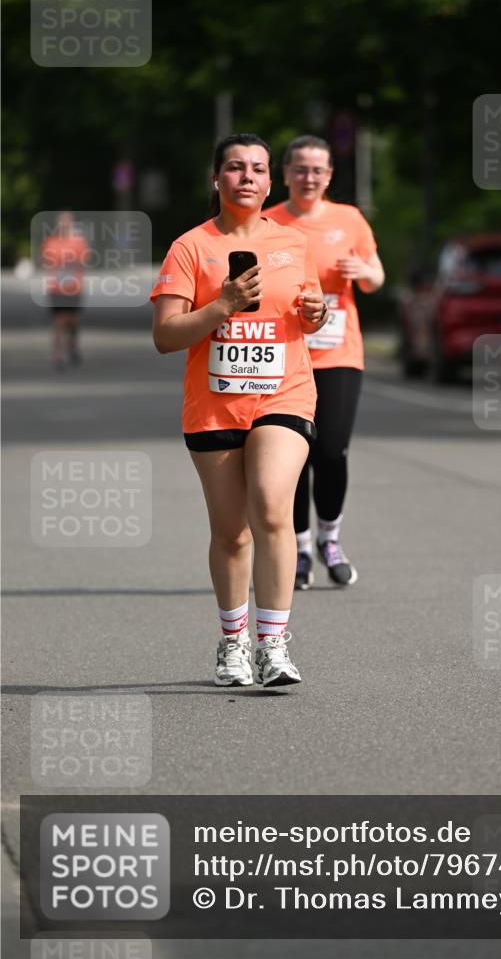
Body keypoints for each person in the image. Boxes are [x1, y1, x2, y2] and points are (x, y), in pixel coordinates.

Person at [151, 133, 328, 687]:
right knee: (231, 533)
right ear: (217, 180)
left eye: (257, 169)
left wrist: (316, 313)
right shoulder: (190, 247)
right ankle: (233, 645)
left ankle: (273, 644)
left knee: (273, 507)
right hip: (215, 403)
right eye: (234, 168)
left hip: (285, 393)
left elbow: (307, 314)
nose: (247, 177)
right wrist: (222, 304)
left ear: (270, 181)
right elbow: (165, 335)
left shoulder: (295, 244)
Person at [265, 136, 384, 589]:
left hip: (339, 352)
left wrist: (365, 273)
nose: (308, 178)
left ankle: (329, 539)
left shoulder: (348, 219)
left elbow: (376, 277)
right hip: (286, 354)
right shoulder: (269, 222)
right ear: (286, 173)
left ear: (330, 175)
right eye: (300, 169)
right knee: (293, 454)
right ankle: (297, 548)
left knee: (331, 450)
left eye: (317, 170)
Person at [40, 210, 89, 369]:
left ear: (71, 224)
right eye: (61, 222)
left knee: (72, 321)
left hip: (74, 287)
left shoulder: (78, 242)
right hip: (56, 288)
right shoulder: (51, 242)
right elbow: (46, 261)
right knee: (59, 321)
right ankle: (57, 354)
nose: (64, 225)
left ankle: (72, 346)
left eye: (67, 222)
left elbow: (83, 262)